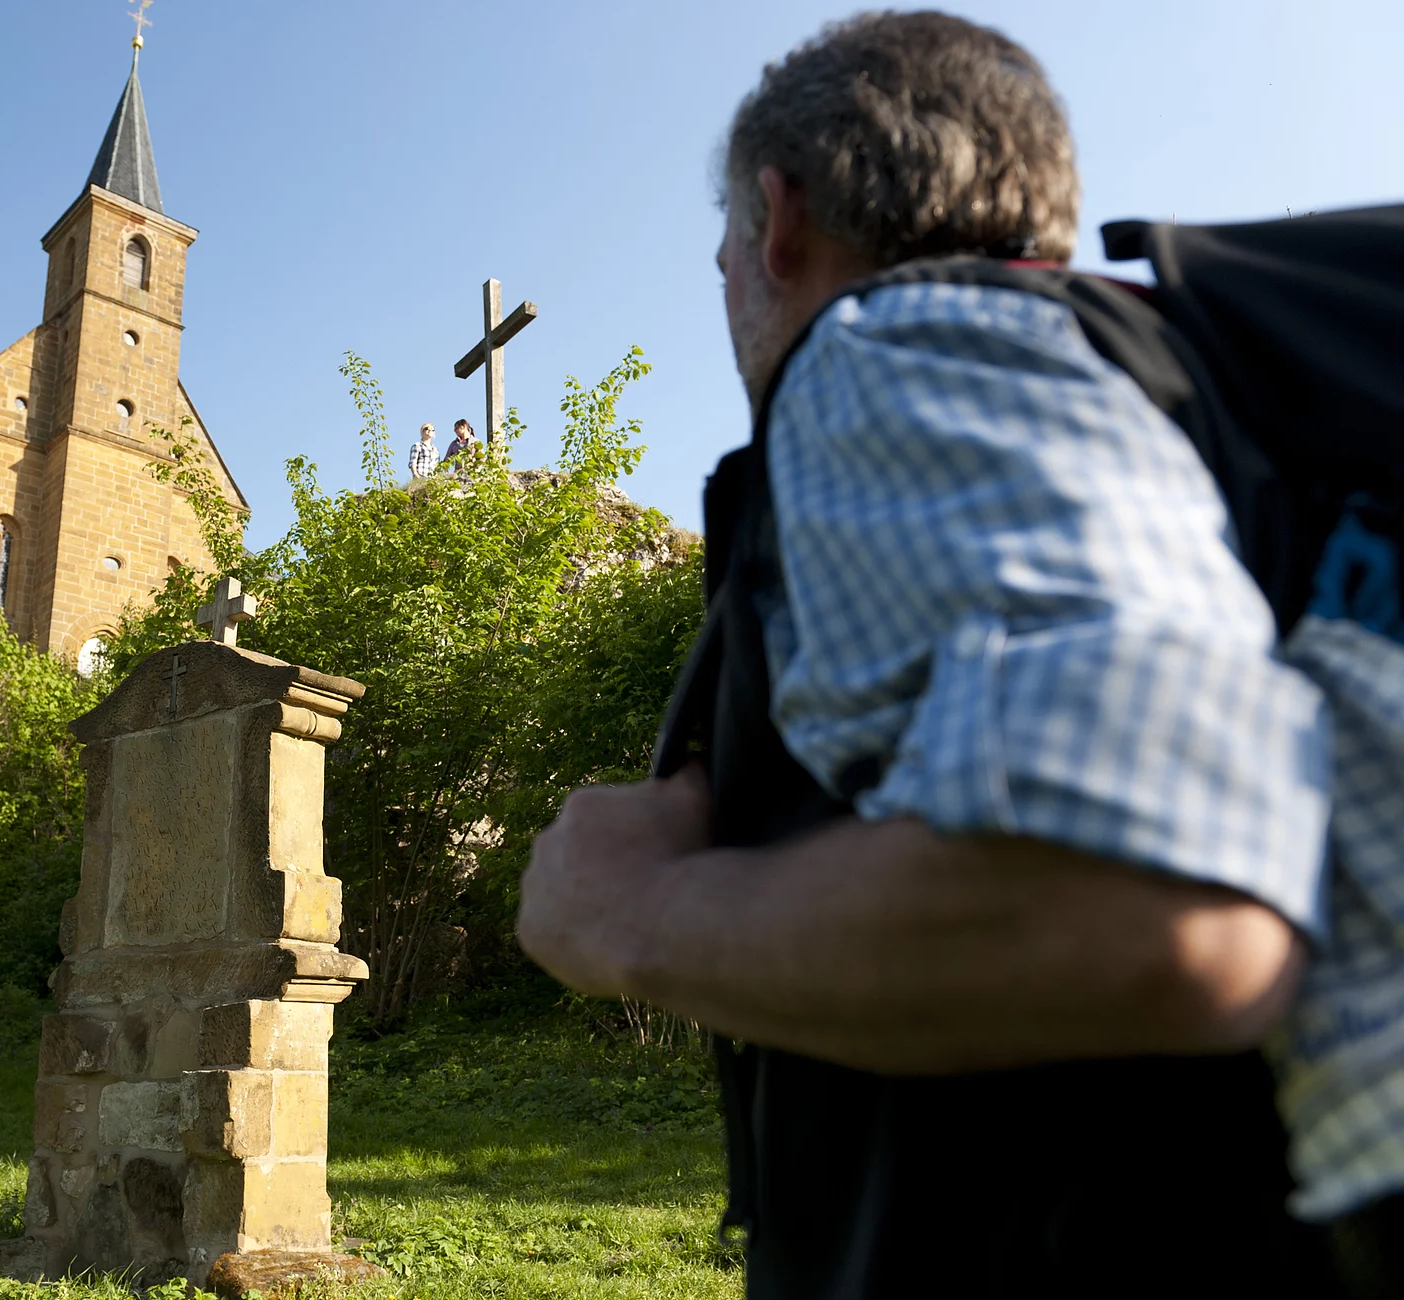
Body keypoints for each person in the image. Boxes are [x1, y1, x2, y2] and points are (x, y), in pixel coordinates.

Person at [518, 12, 1395, 1298]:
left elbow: (1154, 907)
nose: (727, 292)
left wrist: (624, 914)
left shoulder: (900, 344)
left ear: (778, 217)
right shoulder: (1160, 382)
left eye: (718, 257)